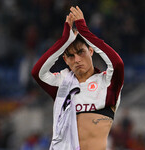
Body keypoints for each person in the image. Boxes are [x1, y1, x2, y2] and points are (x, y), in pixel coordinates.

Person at [31, 6, 124, 150]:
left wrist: (84, 31)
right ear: (65, 60)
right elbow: (38, 72)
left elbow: (117, 64)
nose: (77, 60)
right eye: (71, 56)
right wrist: (64, 41)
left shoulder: (107, 83)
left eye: (81, 52)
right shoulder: (62, 82)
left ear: (91, 51)